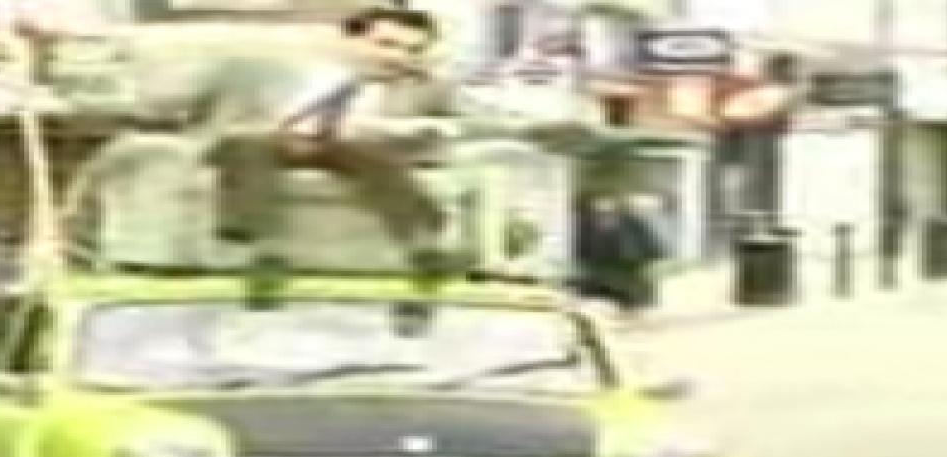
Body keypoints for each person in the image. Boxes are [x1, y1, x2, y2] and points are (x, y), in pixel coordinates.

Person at [132, 6, 589, 272]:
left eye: (412, 51)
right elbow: (162, 105)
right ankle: (252, 247)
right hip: (262, 142)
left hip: (350, 149)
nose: (397, 57)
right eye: (385, 45)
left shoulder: (426, 88)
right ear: (347, 40)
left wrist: (539, 129)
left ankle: (423, 244)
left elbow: (486, 118)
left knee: (363, 146)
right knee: (250, 142)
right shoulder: (256, 67)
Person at [574, 192, 669, 329]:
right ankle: (623, 318)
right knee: (611, 296)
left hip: (628, 268)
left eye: (608, 209)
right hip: (608, 269)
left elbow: (649, 244)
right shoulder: (587, 225)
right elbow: (584, 248)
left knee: (630, 297)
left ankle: (631, 319)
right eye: (601, 210)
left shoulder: (632, 223)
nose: (605, 213)